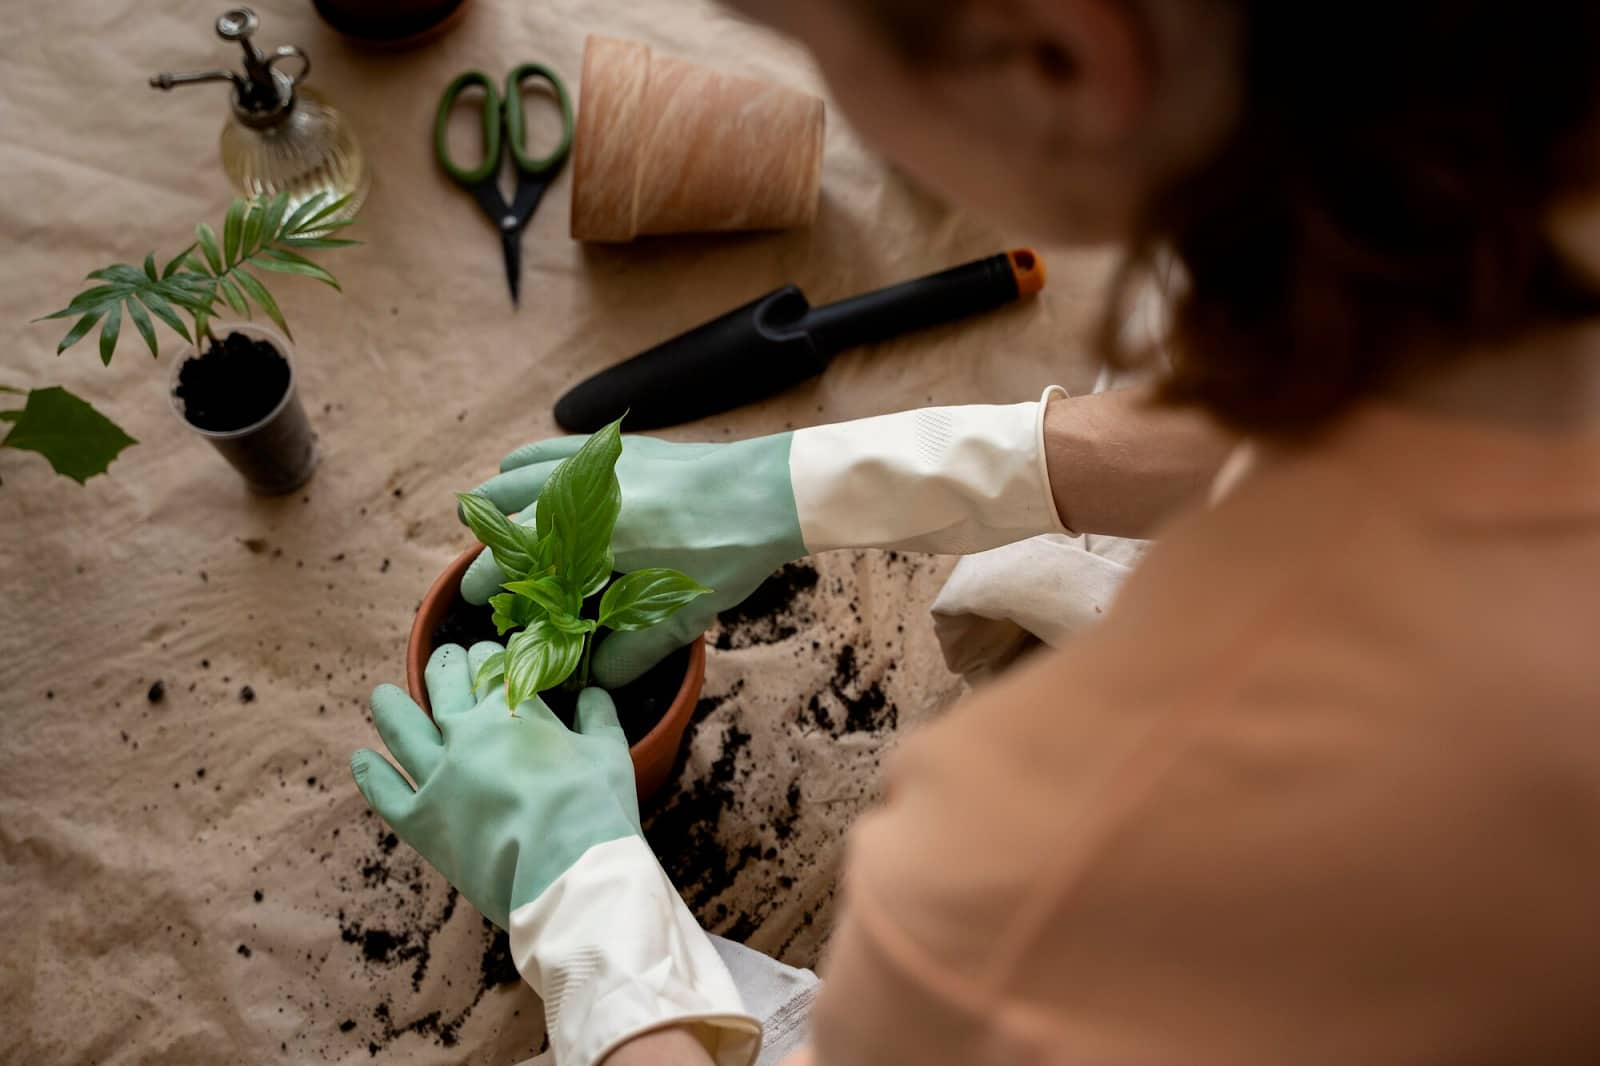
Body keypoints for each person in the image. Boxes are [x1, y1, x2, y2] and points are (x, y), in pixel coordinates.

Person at [350, 1, 1600, 1064]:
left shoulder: (1040, 866)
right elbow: (1329, 419)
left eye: (810, 45)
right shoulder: (1511, 174)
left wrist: (577, 899)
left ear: (1057, 54)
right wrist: (802, 482)